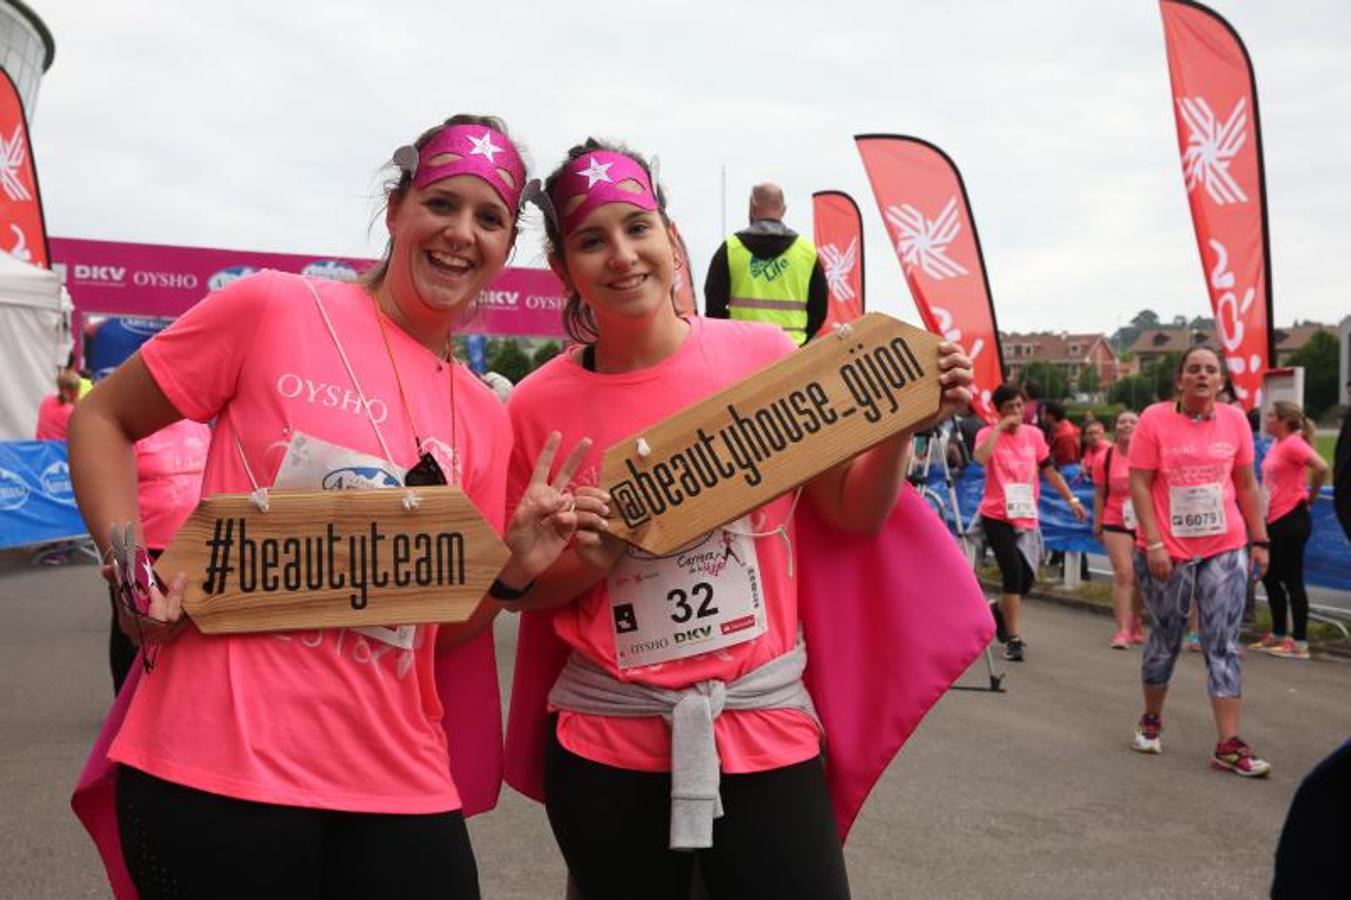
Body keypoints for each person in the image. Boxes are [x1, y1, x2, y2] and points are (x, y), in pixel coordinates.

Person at [68, 114, 601, 898]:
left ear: (505, 246)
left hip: (396, 775)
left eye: (487, 217)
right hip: (221, 760)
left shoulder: (484, 415)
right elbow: (102, 419)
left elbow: (443, 625)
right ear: (395, 210)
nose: (459, 232)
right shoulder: (274, 309)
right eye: (440, 204)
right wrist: (130, 569)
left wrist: (512, 574)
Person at [504, 139, 973, 900]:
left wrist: (900, 425)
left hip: (762, 727)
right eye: (592, 240)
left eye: (638, 228)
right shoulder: (536, 406)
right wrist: (589, 559)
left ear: (673, 237)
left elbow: (850, 515)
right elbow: (519, 589)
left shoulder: (760, 355)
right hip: (606, 741)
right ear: (563, 269)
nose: (622, 256)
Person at [1127, 346, 1271, 777]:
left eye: (1211, 370)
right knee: (1166, 638)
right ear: (1180, 380)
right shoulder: (1154, 419)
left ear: (1222, 381)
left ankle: (1228, 744)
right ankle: (1151, 720)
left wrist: (1260, 538)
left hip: (1224, 546)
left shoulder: (1235, 420)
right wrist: (1153, 543)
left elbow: (1246, 484)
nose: (1203, 376)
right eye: (1194, 370)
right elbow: (1139, 484)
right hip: (1166, 550)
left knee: (1222, 643)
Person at [974, 384, 1086, 661]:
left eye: (1019, 406)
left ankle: (999, 610)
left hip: (1025, 513)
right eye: (1009, 407)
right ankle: (1014, 639)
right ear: (999, 410)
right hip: (996, 514)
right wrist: (999, 428)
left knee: (1026, 579)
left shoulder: (1034, 435)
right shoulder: (987, 433)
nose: (1015, 412)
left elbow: (1049, 470)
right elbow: (980, 459)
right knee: (1012, 575)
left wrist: (1071, 500)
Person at [105, 419, 212, 694]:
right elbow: (111, 495)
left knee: (186, 637)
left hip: (193, 549)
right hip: (144, 550)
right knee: (135, 635)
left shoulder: (199, 426)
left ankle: (176, 704)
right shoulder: (132, 429)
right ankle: (127, 705)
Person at [1248, 401, 1328, 660]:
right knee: (1271, 577)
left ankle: (1301, 641)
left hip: (1291, 518)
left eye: (1271, 415)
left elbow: (1322, 467)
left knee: (1292, 579)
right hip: (1273, 518)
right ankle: (1279, 632)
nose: (1266, 418)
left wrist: (1310, 496)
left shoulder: (1294, 443)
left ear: (1283, 421)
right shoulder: (1276, 443)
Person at [703, 182, 827, 346]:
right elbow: (819, 309)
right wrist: (800, 340)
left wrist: (732, 337)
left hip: (743, 350)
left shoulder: (731, 249)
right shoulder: (806, 252)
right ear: (784, 210)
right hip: (791, 352)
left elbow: (713, 306)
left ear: (752, 208)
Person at [1092, 410, 1144, 648]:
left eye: (1132, 422)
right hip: (1116, 518)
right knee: (1124, 574)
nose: (1127, 425)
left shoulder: (1148, 454)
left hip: (1144, 519)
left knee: (1141, 577)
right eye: (1122, 421)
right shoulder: (1106, 457)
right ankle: (1122, 630)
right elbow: (1100, 493)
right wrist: (1098, 522)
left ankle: (1135, 620)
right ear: (1115, 427)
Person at [35, 369, 82, 439]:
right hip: (60, 449)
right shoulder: (72, 412)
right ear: (76, 392)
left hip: (41, 447)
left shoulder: (46, 401)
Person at [1042, 400, 1080, 467]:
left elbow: (1067, 466)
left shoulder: (1065, 437)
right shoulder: (1055, 430)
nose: (1042, 417)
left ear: (1050, 416)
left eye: (1043, 414)